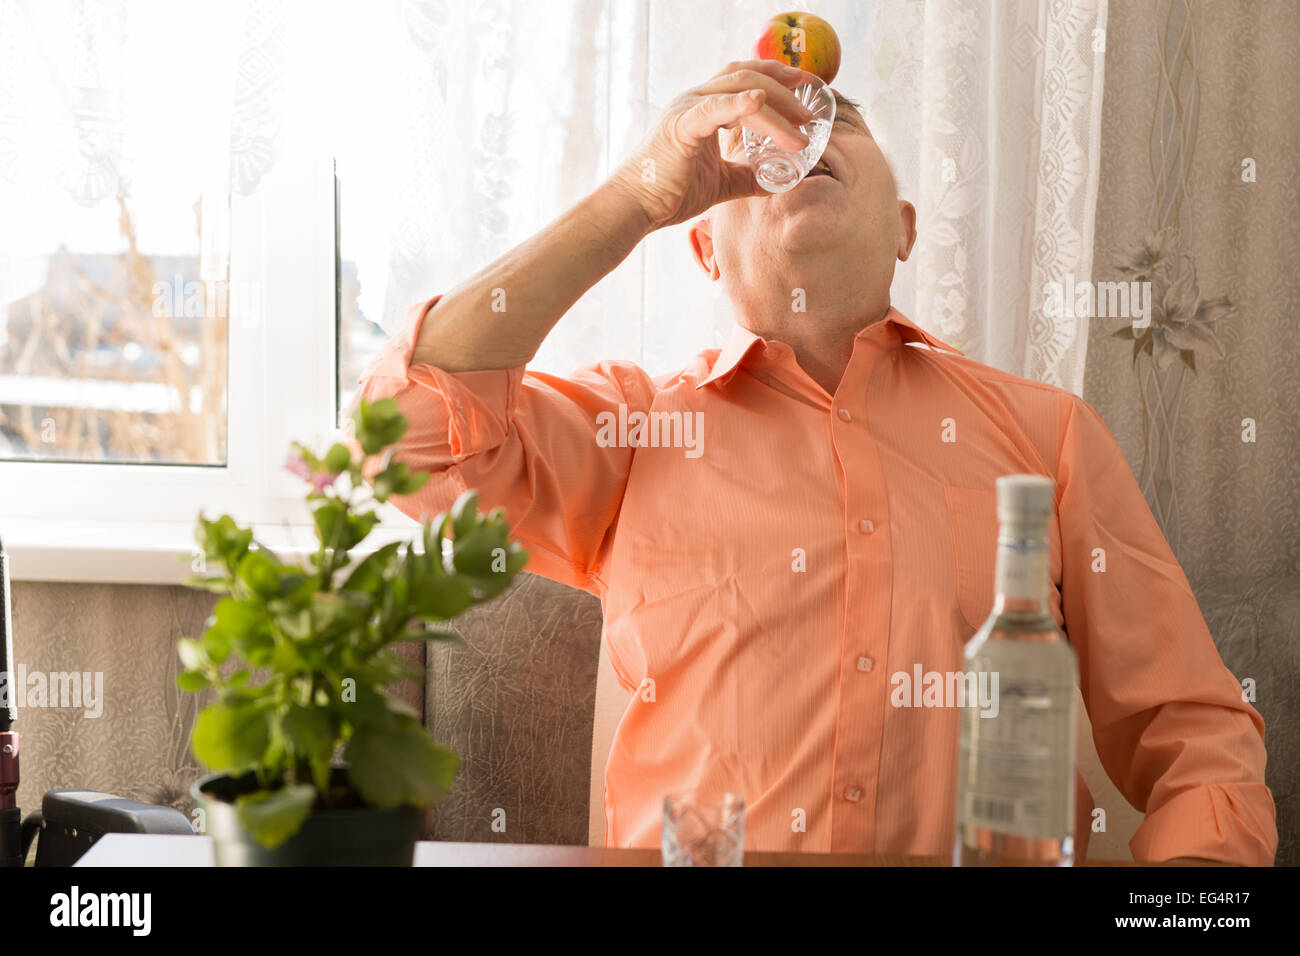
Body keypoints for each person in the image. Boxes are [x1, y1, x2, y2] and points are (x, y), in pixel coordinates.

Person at [350, 60, 1277, 864]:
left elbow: (1194, 738)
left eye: (846, 121)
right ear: (705, 246)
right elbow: (405, 429)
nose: (804, 129)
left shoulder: (1052, 437)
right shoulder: (631, 430)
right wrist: (640, 195)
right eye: (763, 140)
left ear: (905, 230)